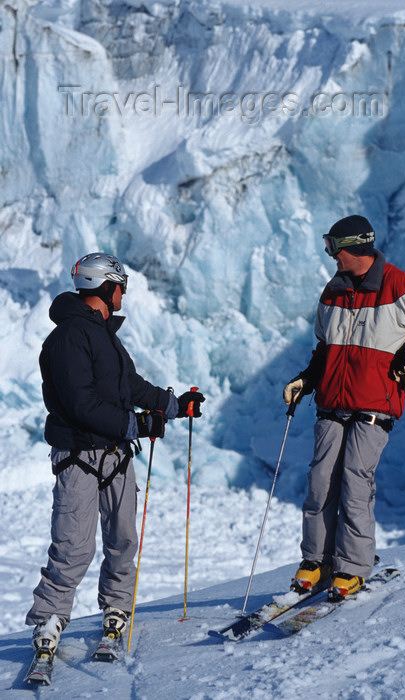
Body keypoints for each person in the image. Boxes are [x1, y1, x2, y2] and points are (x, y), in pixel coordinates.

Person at [25, 252, 205, 655]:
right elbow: (80, 404)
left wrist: (177, 406)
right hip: (80, 457)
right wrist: (138, 426)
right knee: (73, 545)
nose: (124, 292)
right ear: (106, 286)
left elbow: (130, 386)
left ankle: (117, 606)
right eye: (121, 285)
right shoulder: (70, 336)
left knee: (123, 538)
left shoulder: (104, 333)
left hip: (116, 456)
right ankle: (50, 618)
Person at [283, 215, 405, 597]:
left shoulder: (400, 286)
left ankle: (353, 567)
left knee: (356, 484)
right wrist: (306, 379)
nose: (331, 256)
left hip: (375, 405)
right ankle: (316, 560)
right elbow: (326, 348)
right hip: (331, 403)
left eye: (334, 248)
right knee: (320, 483)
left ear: (355, 248)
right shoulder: (333, 291)